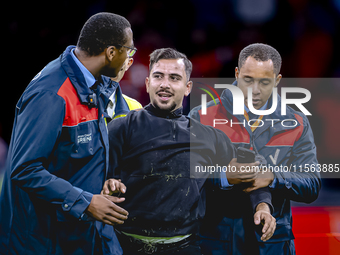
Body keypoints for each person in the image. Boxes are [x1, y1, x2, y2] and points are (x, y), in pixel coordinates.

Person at [103, 48, 276, 255]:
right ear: (148, 83)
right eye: (159, 76)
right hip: (123, 246)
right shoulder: (121, 128)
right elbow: (94, 177)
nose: (165, 84)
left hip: (186, 247)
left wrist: (263, 206)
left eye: (174, 78)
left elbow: (249, 170)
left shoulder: (208, 136)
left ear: (187, 88)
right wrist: (105, 185)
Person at [0, 12, 138, 255]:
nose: (131, 57)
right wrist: (85, 202)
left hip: (82, 232)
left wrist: (101, 182)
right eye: (129, 50)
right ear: (111, 52)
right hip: (44, 239)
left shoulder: (89, 77)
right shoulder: (51, 94)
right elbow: (23, 169)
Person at [189, 43, 321, 255]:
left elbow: (312, 184)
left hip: (272, 245)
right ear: (237, 73)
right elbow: (184, 177)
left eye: (265, 82)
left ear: (277, 80)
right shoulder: (202, 116)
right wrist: (224, 177)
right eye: (248, 80)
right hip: (213, 243)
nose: (255, 90)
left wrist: (272, 177)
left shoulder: (296, 123)